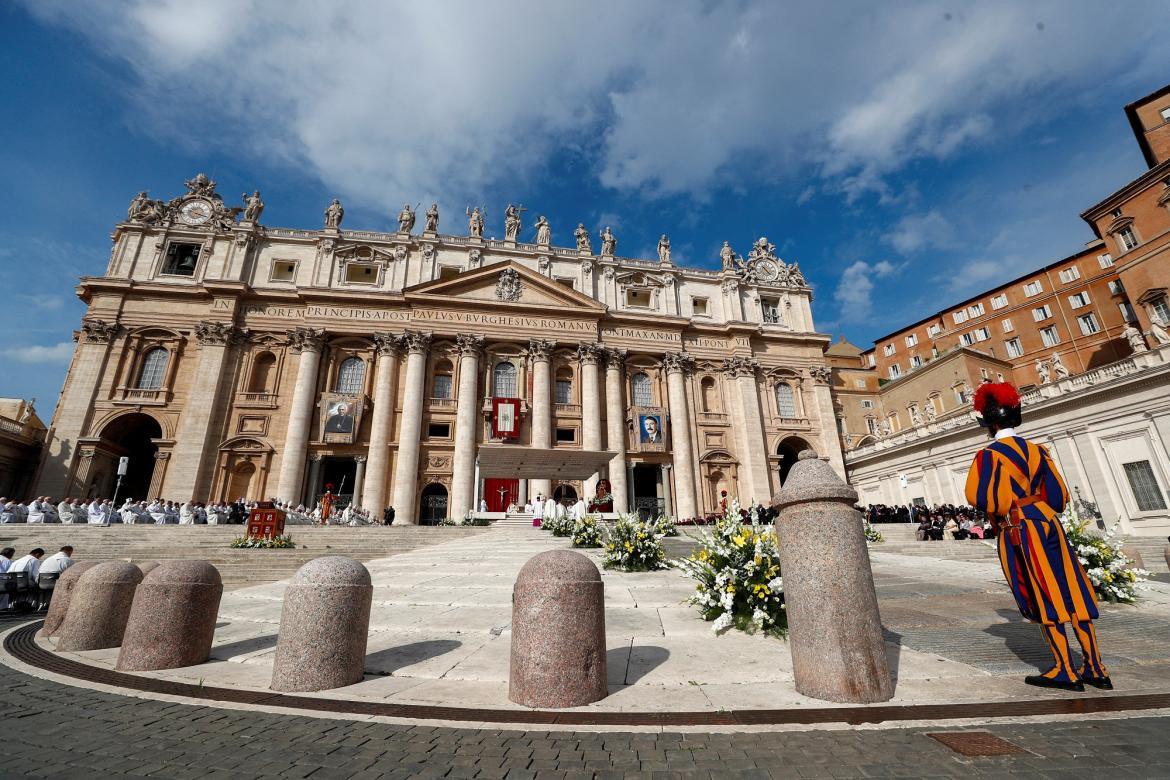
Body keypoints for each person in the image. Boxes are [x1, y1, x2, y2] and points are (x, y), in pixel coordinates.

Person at [965, 382, 1110, 692]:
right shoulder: (1038, 450)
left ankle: (1064, 669)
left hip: (1021, 529)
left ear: (990, 424)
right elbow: (1059, 496)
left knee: (1043, 590)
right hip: (1049, 522)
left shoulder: (989, 456)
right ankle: (1095, 667)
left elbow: (987, 500)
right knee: (1073, 588)